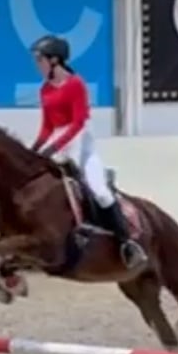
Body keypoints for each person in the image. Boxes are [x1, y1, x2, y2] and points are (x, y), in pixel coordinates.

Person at [29, 34, 147, 270]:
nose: (37, 65)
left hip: (81, 142)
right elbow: (47, 126)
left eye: (40, 60)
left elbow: (78, 123)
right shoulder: (45, 89)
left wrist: (54, 146)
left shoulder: (76, 84)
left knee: (100, 192)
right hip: (56, 139)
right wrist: (34, 150)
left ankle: (127, 243)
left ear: (55, 60)